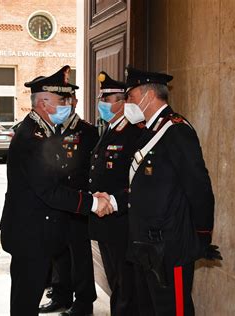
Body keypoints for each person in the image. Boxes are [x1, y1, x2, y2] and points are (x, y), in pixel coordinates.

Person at [0, 65, 114, 316]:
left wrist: (90, 196)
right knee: (25, 299)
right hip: (29, 234)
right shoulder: (32, 138)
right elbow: (49, 190)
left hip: (36, 231)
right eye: (62, 100)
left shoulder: (41, 131)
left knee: (26, 295)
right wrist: (93, 204)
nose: (68, 104)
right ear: (43, 103)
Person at [125, 66, 222, 315]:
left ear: (148, 95)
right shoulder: (150, 130)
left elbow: (199, 188)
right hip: (147, 244)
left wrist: (201, 236)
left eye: (131, 96)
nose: (129, 103)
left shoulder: (176, 130)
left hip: (171, 247)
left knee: (174, 310)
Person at [87, 71, 146, 315]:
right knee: (114, 279)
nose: (102, 104)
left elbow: (136, 181)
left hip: (121, 220)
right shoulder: (110, 129)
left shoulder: (134, 133)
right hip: (105, 220)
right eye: (102, 99)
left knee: (125, 282)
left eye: (107, 100)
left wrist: (111, 201)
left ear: (123, 103)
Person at [39, 89, 99, 316]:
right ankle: (61, 294)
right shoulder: (50, 130)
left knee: (80, 255)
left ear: (75, 101)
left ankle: (84, 303)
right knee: (59, 251)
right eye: (59, 100)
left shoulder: (88, 131)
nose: (63, 104)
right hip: (56, 203)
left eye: (67, 100)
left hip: (78, 203)